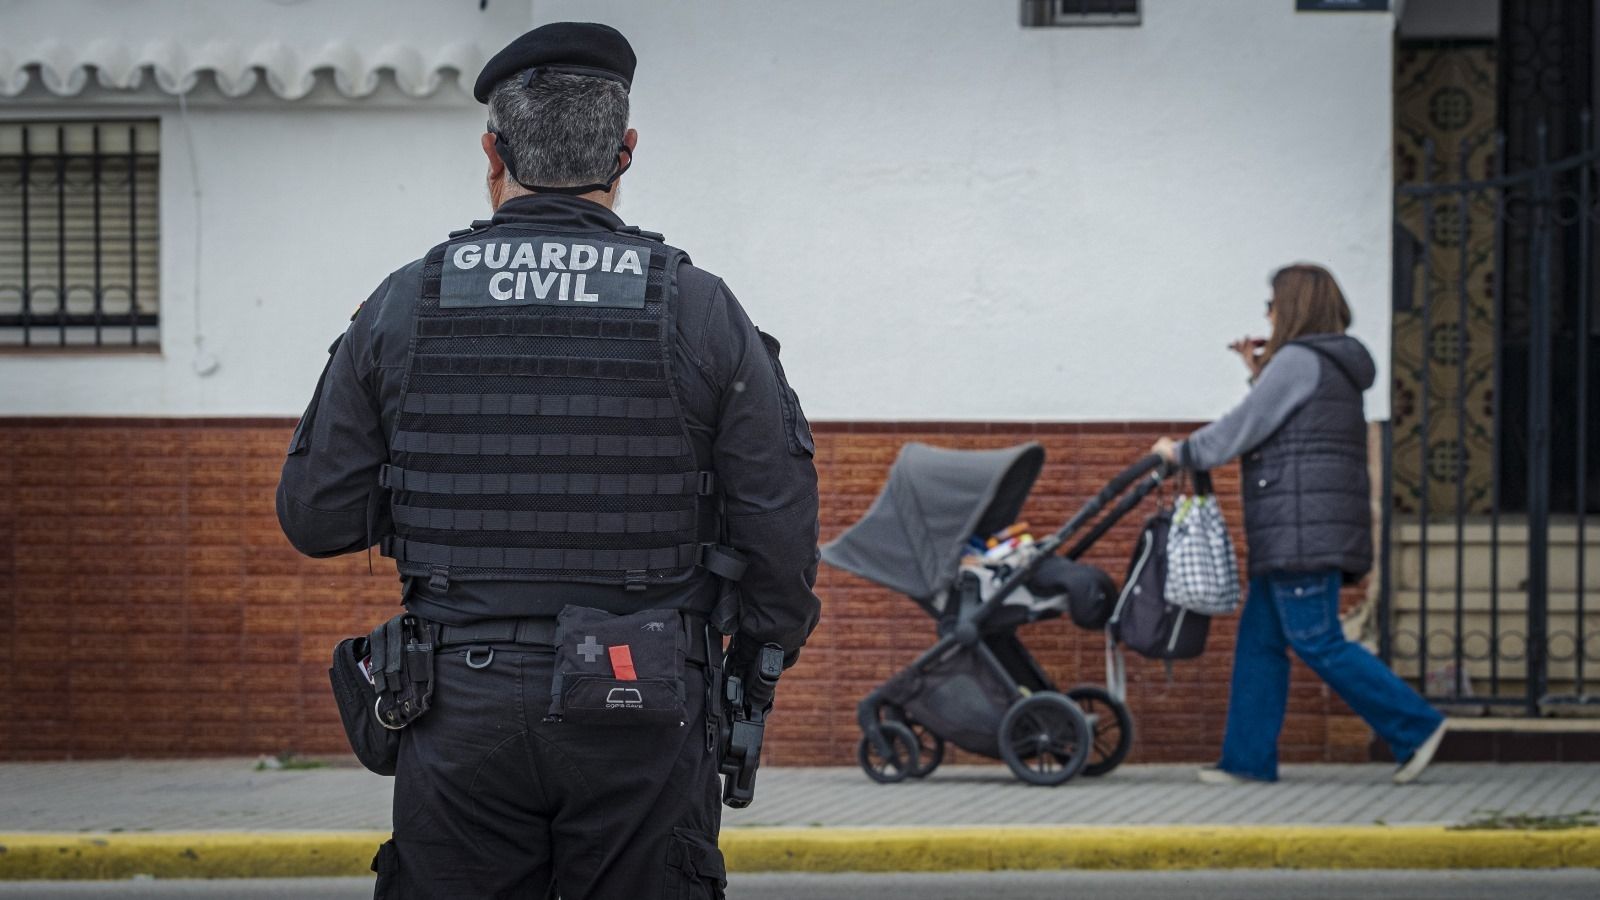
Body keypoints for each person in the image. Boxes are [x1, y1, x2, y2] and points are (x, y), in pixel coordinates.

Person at [276, 22, 821, 898]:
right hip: (644, 693)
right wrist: (761, 654)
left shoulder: (404, 302)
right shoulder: (697, 306)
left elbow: (316, 517)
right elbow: (780, 527)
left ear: (492, 151)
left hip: (454, 697)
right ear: (626, 151)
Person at [1151, 263, 1446, 786]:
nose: (1267, 313)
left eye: (1272, 303)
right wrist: (1258, 373)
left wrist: (1184, 451)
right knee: (1260, 642)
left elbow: (1245, 426)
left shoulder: (1298, 359)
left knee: (1317, 639)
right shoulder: (1323, 363)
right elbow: (1287, 419)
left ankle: (1415, 725)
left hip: (1302, 528)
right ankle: (1247, 761)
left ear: (1295, 305)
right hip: (1303, 525)